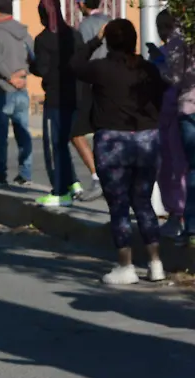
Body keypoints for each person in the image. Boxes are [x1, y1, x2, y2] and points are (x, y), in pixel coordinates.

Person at [70, 20, 166, 284]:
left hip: (113, 141)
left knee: (119, 207)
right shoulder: (147, 69)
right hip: (147, 139)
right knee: (144, 203)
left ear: (109, 41)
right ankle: (156, 263)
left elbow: (74, 65)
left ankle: (126, 266)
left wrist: (94, 41)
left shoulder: (101, 69)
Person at [30, 0, 83, 207]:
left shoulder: (43, 39)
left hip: (55, 96)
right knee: (66, 140)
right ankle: (73, 183)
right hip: (75, 95)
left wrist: (31, 64)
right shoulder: (74, 35)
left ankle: (60, 190)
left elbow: (42, 69)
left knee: (56, 145)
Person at [0, 0, 34, 186]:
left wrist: (9, 77)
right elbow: (34, 57)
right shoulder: (24, 32)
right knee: (23, 133)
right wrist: (22, 73)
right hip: (21, 88)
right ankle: (26, 173)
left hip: (1, 89)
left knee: (0, 135)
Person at [148, 9, 187, 240]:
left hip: (176, 113)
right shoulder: (167, 49)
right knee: (167, 167)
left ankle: (179, 214)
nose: (163, 32)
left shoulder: (178, 48)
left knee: (177, 167)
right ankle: (176, 213)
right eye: (160, 27)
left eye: (166, 27)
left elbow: (173, 77)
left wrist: (158, 64)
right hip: (164, 115)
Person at [157, 12, 195, 247]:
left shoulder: (180, 40)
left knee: (189, 169)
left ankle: (190, 226)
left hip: (188, 107)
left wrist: (158, 67)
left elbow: (174, 77)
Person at [69, 0, 111, 202]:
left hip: (91, 83)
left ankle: (97, 176)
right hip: (112, 81)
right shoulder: (111, 21)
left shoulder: (85, 26)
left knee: (77, 132)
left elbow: (82, 55)